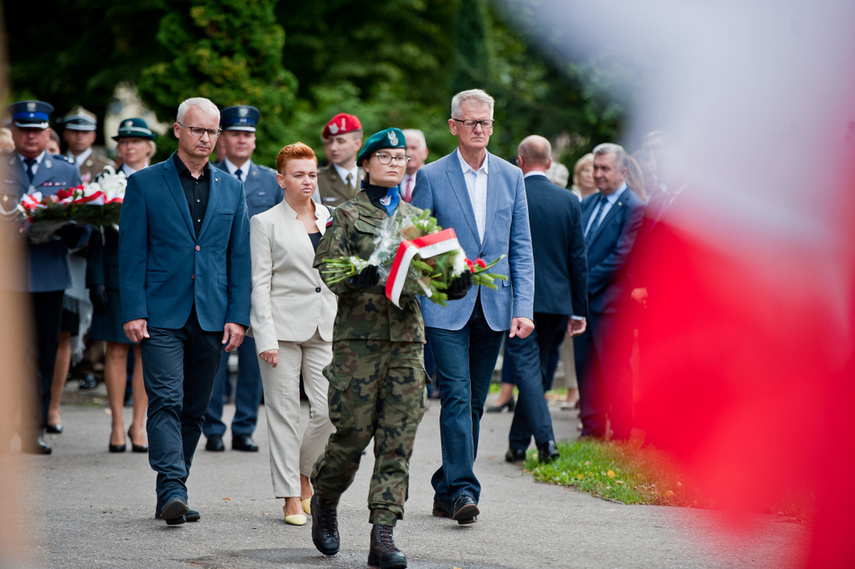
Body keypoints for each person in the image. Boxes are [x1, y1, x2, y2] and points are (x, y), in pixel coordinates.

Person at [311, 128, 459, 569]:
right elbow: (328, 268)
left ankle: (383, 535)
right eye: (387, 157)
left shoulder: (418, 218)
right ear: (367, 163)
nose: (396, 163)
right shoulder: (347, 215)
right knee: (352, 436)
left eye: (402, 156)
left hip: (407, 345)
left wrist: (455, 280)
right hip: (359, 343)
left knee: (398, 441)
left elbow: (434, 275)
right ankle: (325, 495)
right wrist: (353, 278)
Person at [119, 97, 250, 524]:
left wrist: (238, 314)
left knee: (194, 408)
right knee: (166, 400)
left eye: (213, 131)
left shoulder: (231, 187)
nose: (206, 138)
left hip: (212, 315)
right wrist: (134, 309)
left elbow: (239, 257)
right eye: (198, 130)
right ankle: (175, 486)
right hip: (160, 312)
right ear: (177, 130)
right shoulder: (144, 184)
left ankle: (169, 492)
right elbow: (132, 252)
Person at [411, 88, 535, 524]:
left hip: (496, 304)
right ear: (453, 127)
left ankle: (445, 487)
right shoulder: (431, 175)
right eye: (471, 122)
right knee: (457, 396)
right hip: (446, 306)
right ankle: (465, 489)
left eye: (486, 122)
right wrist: (428, 294)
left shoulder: (510, 176)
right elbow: (417, 244)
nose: (480, 129)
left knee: (476, 402)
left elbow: (520, 247)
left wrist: (524, 307)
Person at [250, 142, 336, 526]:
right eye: (299, 174)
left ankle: (304, 474)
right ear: (281, 179)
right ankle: (288, 496)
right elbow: (259, 283)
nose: (307, 181)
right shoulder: (265, 222)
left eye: (312, 174)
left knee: (331, 410)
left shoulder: (332, 217)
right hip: (281, 330)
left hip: (326, 327)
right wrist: (264, 336)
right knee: (283, 414)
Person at [2, 100, 83, 454]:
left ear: (47, 133)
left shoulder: (64, 170)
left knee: (42, 354)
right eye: (24, 129)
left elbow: (82, 226)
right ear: (15, 132)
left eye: (37, 130)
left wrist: (60, 231)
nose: (31, 136)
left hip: (49, 273)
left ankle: (33, 429)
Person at [503, 135, 588, 463]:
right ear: (550, 163)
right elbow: (578, 259)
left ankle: (546, 442)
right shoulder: (568, 200)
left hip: (519, 300)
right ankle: (518, 444)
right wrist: (578, 309)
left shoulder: (513, 194)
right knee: (534, 371)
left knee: (528, 371)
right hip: (556, 302)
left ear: (519, 161)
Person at [203, 105, 283, 454]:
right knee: (215, 355)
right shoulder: (207, 175)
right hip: (218, 278)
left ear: (254, 140)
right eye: (235, 133)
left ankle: (245, 427)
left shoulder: (270, 180)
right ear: (223, 138)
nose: (241, 140)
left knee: (254, 357)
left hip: (259, 281)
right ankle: (213, 428)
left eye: (247, 134)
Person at [87, 118, 157, 453]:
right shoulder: (105, 181)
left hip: (153, 276)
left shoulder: (162, 178)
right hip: (115, 274)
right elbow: (96, 238)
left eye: (135, 141)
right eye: (123, 141)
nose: (128, 146)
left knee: (147, 351)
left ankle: (138, 424)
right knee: (115, 350)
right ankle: (116, 423)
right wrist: (96, 279)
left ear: (149, 146)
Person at [574, 143, 645, 441]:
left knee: (615, 370)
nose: (598, 175)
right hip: (583, 305)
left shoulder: (635, 207)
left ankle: (620, 432)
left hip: (613, 304)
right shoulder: (587, 204)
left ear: (623, 171)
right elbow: (576, 250)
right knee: (585, 368)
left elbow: (621, 257)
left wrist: (582, 283)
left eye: (605, 169)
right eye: (595, 168)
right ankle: (591, 430)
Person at [316, 113, 363, 207]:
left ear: (357, 144)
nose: (333, 147)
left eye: (340, 141)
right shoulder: (317, 180)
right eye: (330, 142)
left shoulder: (371, 179)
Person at [61, 106, 114, 183]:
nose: (79, 137)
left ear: (93, 137)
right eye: (74, 131)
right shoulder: (54, 163)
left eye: (85, 132)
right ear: (65, 135)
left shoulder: (105, 167)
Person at [399, 128, 428, 203]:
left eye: (413, 148)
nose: (409, 153)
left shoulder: (433, 181)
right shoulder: (391, 181)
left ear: (425, 153)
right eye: (405, 148)